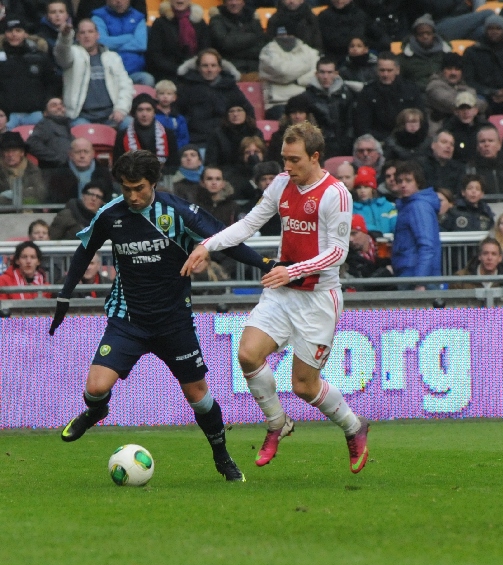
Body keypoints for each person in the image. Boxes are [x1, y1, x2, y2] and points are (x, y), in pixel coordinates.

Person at [49, 149, 275, 482]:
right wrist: (65, 296)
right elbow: (86, 251)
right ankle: (97, 411)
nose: (132, 195)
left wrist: (267, 264)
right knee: (95, 387)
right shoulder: (111, 214)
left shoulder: (178, 212)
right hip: (129, 320)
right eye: (126, 189)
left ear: (153, 182)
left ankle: (222, 456)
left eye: (139, 187)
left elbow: (225, 241)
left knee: (197, 395)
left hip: (173, 322)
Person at [180, 121, 370, 473]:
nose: (286, 167)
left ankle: (354, 428)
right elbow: (249, 223)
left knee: (304, 385)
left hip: (317, 298)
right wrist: (207, 245)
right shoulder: (283, 184)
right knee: (248, 355)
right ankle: (276, 423)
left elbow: (338, 253)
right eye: (284, 158)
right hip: (282, 293)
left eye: (294, 160)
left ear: (315, 157)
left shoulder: (335, 193)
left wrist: (292, 270)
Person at [54, 19, 134, 129]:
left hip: (111, 115)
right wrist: (65, 36)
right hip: (81, 117)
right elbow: (61, 53)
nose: (86, 35)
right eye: (82, 32)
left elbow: (126, 86)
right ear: (77, 36)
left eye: (90, 32)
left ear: (97, 35)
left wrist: (121, 110)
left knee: (131, 125)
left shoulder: (113, 57)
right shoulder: (73, 53)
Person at [176, 48, 254, 146]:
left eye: (213, 65)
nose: (209, 70)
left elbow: (248, 111)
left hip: (227, 140)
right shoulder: (186, 88)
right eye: (205, 66)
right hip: (195, 140)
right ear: (198, 68)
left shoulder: (231, 87)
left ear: (219, 68)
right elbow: (177, 112)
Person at [461, 14, 503, 116]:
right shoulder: (472, 52)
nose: (494, 32)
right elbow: (469, 81)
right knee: (475, 100)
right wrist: (490, 92)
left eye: (498, 28)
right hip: (484, 96)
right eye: (490, 28)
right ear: (485, 30)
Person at [0, 17, 60, 129]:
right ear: (5, 34)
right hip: (7, 116)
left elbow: (52, 83)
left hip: (36, 114)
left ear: (25, 34)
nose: (14, 34)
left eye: (18, 30)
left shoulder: (39, 57)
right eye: (10, 31)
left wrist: (46, 104)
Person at [391, 159, 442, 289]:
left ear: (418, 182)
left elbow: (426, 246)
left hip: (415, 275)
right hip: (412, 273)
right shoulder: (410, 206)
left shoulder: (418, 206)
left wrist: (420, 281)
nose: (403, 185)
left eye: (408, 180)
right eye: (400, 181)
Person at [353, 51, 424, 142]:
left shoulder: (411, 90)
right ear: (376, 70)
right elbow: (362, 127)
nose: (385, 74)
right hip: (377, 142)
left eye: (389, 70)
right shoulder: (367, 92)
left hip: (408, 140)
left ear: (397, 70)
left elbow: (422, 120)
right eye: (382, 70)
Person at [258, 27, 319, 119]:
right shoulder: (268, 51)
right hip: (278, 103)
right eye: (281, 35)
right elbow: (283, 72)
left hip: (305, 101)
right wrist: (306, 66)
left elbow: (317, 73)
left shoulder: (308, 50)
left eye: (289, 34)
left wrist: (298, 80)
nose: (285, 37)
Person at [302, 56, 355, 158]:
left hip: (344, 144)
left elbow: (351, 122)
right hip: (320, 146)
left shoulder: (347, 94)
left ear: (336, 74)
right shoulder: (307, 97)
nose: (326, 76)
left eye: (329, 72)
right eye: (322, 72)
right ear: (316, 74)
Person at [146, 0, 210, 84]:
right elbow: (155, 56)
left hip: (195, 73)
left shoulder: (200, 23)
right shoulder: (160, 23)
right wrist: (179, 69)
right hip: (167, 74)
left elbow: (205, 51)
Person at [91, 0, 152, 86]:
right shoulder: (98, 17)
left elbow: (141, 44)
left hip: (134, 72)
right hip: (108, 73)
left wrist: (112, 44)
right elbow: (101, 41)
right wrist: (128, 37)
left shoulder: (138, 17)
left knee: (148, 79)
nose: (119, 1)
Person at [113, 93, 179, 169]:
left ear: (154, 112)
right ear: (134, 113)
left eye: (148, 110)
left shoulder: (168, 134)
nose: (144, 114)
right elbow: (118, 165)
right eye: (140, 110)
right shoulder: (122, 135)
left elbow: (174, 164)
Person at [46, 137, 115, 203]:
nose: (82, 156)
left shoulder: (104, 174)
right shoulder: (58, 175)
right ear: (70, 154)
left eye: (86, 152)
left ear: (92, 154)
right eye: (78, 152)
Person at [208, 0, 265, 79]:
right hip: (230, 70)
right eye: (230, 0)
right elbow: (225, 44)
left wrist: (236, 48)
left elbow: (262, 46)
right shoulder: (217, 19)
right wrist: (252, 36)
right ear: (224, 2)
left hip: (255, 68)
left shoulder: (253, 18)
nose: (234, 3)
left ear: (243, 2)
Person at [425, 52, 484, 126]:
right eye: (449, 69)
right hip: (440, 130)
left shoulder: (466, 87)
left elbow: (483, 105)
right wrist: (473, 104)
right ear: (442, 71)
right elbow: (454, 103)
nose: (453, 73)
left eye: (457, 69)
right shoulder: (434, 86)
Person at [397, 13, 452, 91]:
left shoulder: (445, 53)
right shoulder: (405, 57)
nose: (425, 37)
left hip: (444, 90)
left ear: (433, 34)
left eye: (428, 33)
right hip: (418, 92)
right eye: (421, 34)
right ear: (415, 36)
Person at [203, 96, 260, 168]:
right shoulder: (217, 134)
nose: (235, 114)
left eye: (239, 110)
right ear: (227, 115)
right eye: (231, 111)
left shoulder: (255, 132)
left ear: (246, 113)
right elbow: (211, 162)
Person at [0, 130, 48, 206]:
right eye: (7, 151)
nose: (10, 155)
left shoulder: (32, 170)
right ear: (2, 153)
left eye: (14, 151)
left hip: (30, 214)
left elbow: (40, 195)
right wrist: (26, 192)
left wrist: (12, 196)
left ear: (22, 153)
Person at [27, 97, 75, 170]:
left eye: (61, 105)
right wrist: (57, 158)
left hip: (69, 169)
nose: (59, 107)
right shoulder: (45, 124)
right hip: (54, 171)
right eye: (54, 105)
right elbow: (32, 143)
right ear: (45, 113)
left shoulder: (66, 126)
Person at [416, 129, 464, 197]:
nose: (448, 146)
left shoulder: (459, 169)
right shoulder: (420, 165)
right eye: (444, 142)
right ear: (433, 145)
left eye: (452, 144)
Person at [441, 91, 485, 163]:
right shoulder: (448, 130)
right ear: (456, 111)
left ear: (476, 110)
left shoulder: (485, 127)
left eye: (469, 108)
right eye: (462, 108)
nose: (466, 112)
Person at [351, 165, 396, 234]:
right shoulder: (352, 209)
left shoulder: (388, 206)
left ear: (372, 189)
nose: (362, 191)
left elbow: (396, 227)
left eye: (366, 187)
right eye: (359, 188)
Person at [153, 79, 190, 149]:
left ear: (174, 97)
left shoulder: (179, 118)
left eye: (169, 94)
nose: (165, 96)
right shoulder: (152, 116)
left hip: (175, 151)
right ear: (156, 96)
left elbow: (183, 138)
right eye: (161, 93)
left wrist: (175, 149)